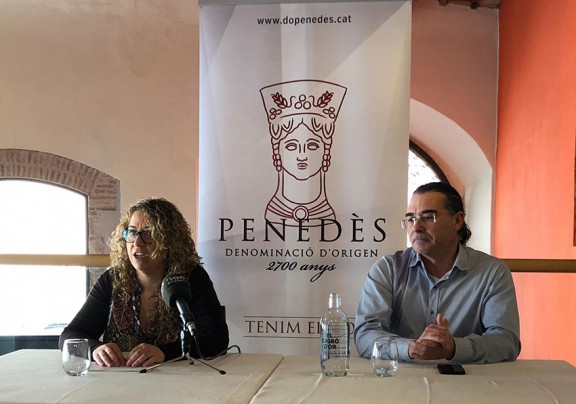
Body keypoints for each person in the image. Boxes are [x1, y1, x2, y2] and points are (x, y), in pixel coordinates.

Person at [354, 182, 521, 364]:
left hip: (467, 378)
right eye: (411, 219)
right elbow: (365, 335)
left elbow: (506, 342)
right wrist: (410, 348)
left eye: (428, 217)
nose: (416, 227)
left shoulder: (492, 272)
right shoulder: (388, 269)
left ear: (457, 221)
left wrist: (454, 348)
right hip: (401, 376)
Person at [59, 198, 229, 367]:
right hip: (121, 379)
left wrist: (165, 352)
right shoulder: (112, 280)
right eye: (132, 232)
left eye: (149, 234)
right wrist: (95, 349)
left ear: (170, 241)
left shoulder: (191, 278)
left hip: (176, 379)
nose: (137, 243)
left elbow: (217, 339)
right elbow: (70, 336)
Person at [260, 80, 347, 228]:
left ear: (325, 151)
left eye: (312, 146)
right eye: (291, 146)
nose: (302, 155)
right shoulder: (274, 214)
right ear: (277, 151)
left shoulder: (330, 214)